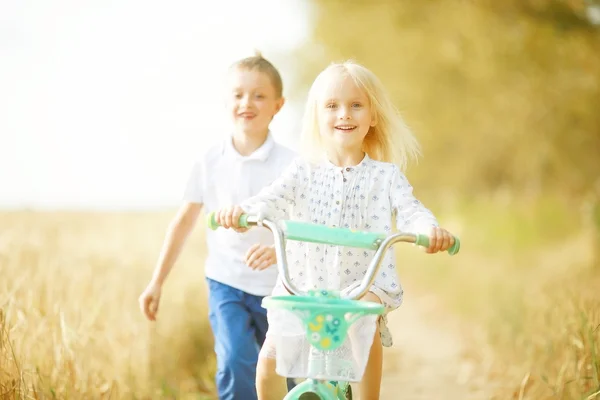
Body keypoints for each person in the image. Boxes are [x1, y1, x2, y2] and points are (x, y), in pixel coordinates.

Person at [212, 60, 457, 400]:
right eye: (332, 106)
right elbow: (270, 200)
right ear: (317, 116)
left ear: (372, 117)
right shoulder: (303, 171)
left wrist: (430, 230)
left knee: (365, 326)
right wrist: (242, 213)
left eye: (356, 105)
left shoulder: (385, 177)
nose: (344, 114)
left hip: (361, 285)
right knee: (268, 361)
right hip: (303, 281)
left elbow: (412, 211)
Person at [138, 51, 297, 400]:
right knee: (235, 360)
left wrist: (278, 252)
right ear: (225, 102)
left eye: (259, 95)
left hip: (281, 287)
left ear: (278, 105)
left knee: (288, 369)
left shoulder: (292, 164)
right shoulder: (209, 160)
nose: (247, 103)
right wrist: (156, 281)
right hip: (227, 283)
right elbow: (183, 222)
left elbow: (305, 226)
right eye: (238, 95)